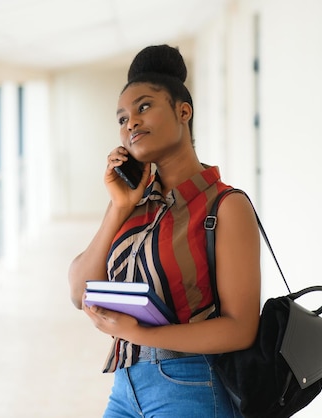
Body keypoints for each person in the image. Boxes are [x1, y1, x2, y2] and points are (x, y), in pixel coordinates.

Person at [68, 44, 261, 418]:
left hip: (191, 385)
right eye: (122, 119)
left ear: (183, 111)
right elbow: (78, 292)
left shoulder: (225, 205)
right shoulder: (133, 203)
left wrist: (140, 334)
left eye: (144, 107)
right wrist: (119, 208)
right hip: (125, 387)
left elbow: (240, 329)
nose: (131, 124)